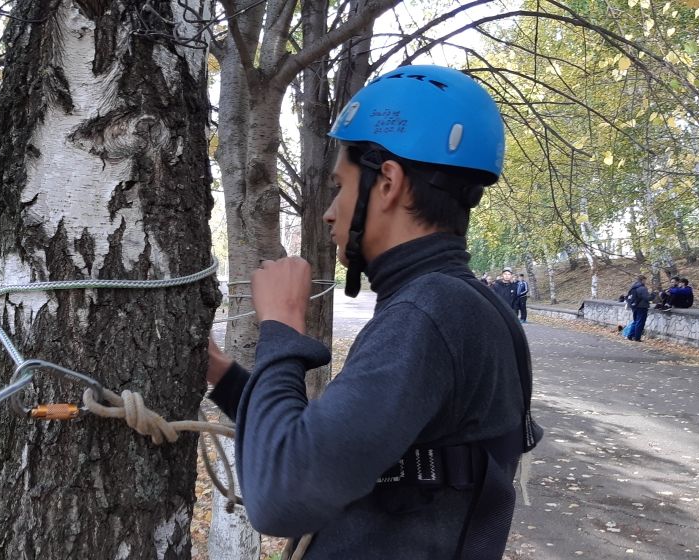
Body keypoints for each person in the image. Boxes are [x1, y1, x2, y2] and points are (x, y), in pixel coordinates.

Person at [204, 65, 539, 559]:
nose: (329, 211)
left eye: (340, 186)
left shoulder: (430, 313)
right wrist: (223, 375)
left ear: (388, 182)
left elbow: (282, 497)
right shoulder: (467, 307)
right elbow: (340, 443)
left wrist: (281, 327)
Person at [625, 275, 652, 341]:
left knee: (635, 321)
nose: (645, 282)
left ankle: (630, 335)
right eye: (645, 280)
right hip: (642, 307)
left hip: (634, 306)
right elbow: (647, 298)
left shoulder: (633, 287)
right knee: (640, 322)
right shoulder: (642, 288)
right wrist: (653, 294)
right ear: (642, 280)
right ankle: (637, 337)